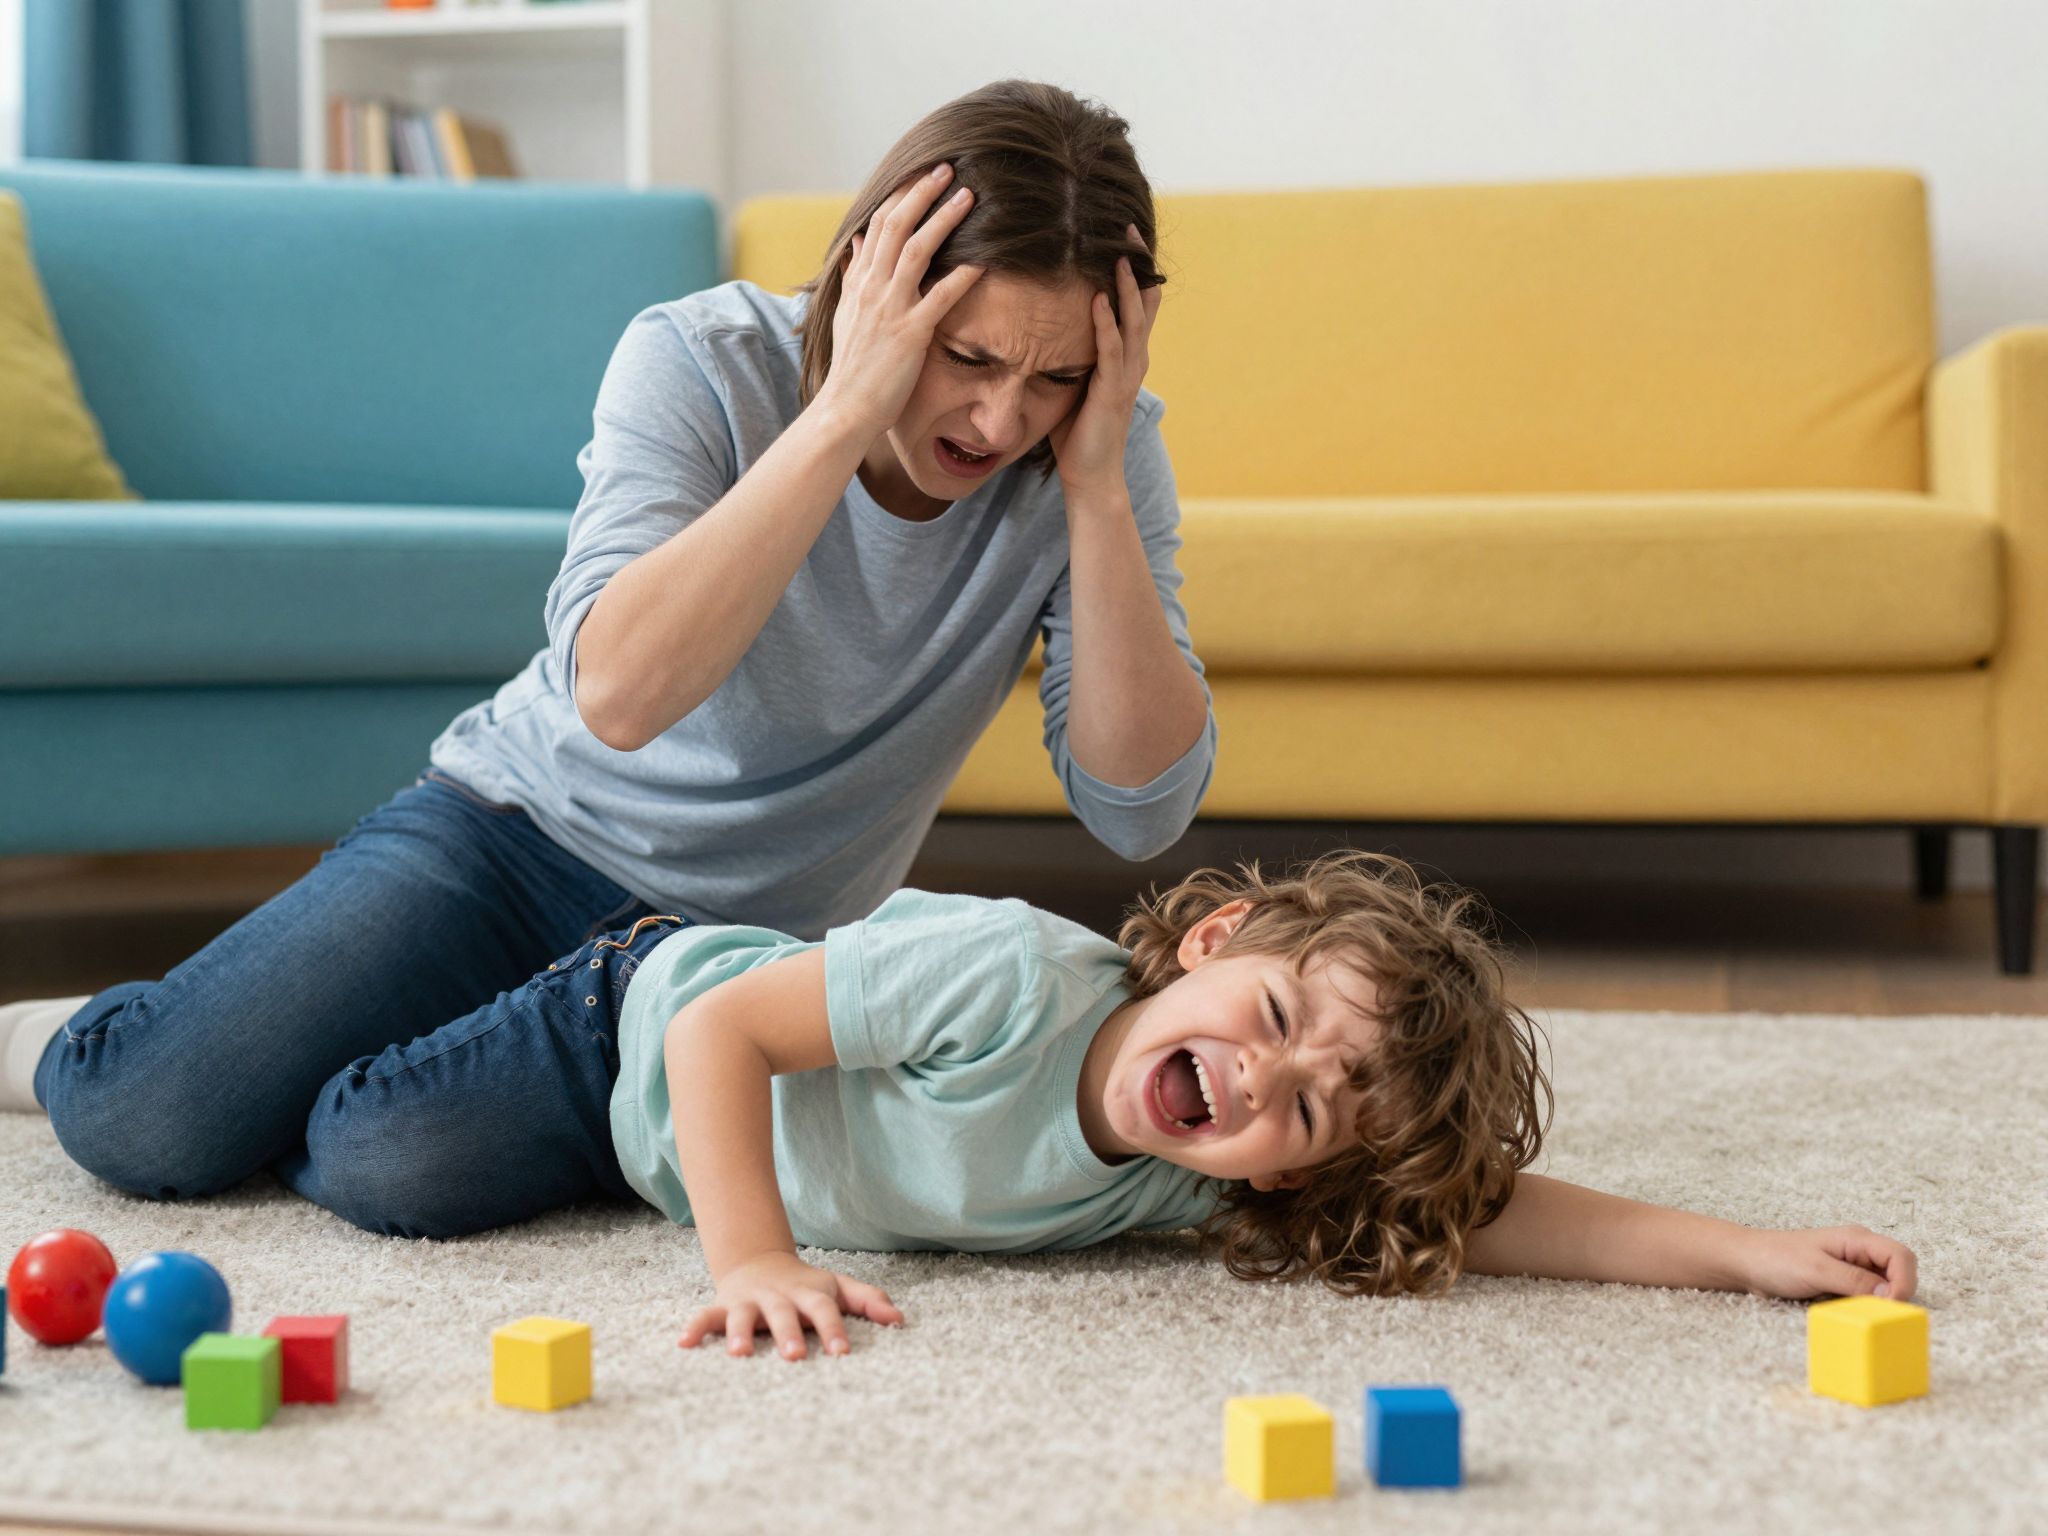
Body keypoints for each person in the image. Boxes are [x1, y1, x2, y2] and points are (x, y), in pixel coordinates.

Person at [0, 77, 1219, 1218]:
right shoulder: (700, 357)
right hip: (507, 840)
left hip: (720, 957)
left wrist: (1094, 487)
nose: (1000, 420)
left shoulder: (1094, 456)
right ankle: (143, 1030)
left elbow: (1137, 812)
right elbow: (622, 698)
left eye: (1054, 377)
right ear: (873, 282)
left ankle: (302, 1049)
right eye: (968, 358)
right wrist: (845, 409)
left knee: (395, 1163)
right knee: (144, 1120)